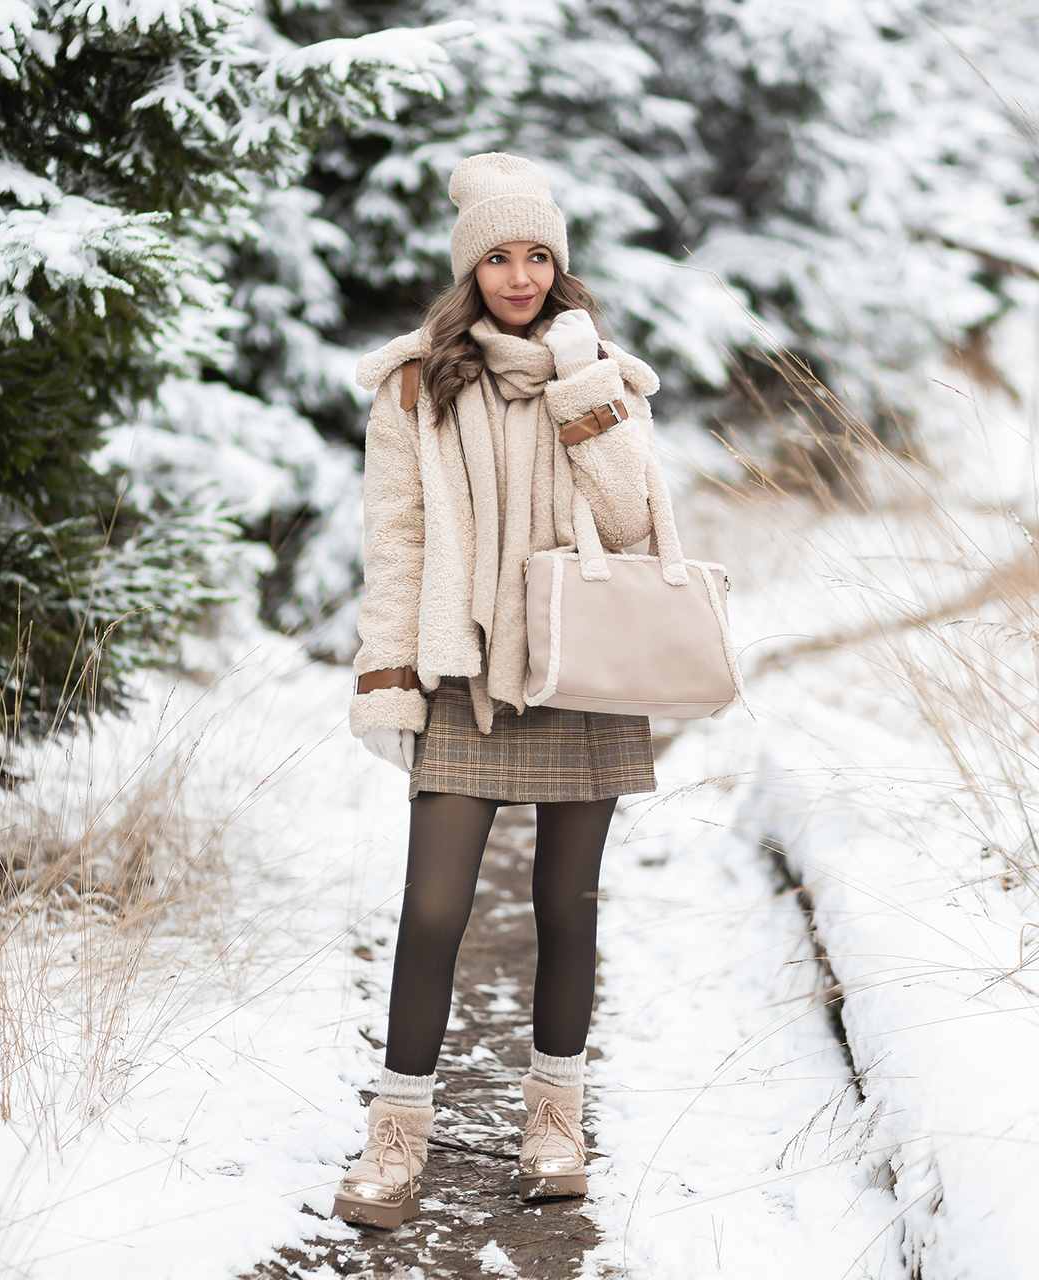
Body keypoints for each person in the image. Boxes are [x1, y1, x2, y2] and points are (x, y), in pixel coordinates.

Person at [334, 151, 671, 1230]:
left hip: (584, 665)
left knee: (565, 911)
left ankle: (553, 1123)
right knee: (432, 910)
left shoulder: (601, 371)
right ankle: (395, 1137)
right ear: (466, 266)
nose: (519, 277)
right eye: (497, 256)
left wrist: (581, 385)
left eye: (537, 256)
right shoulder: (415, 385)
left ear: (558, 266)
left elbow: (634, 525)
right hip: (465, 667)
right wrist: (388, 679)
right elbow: (396, 541)